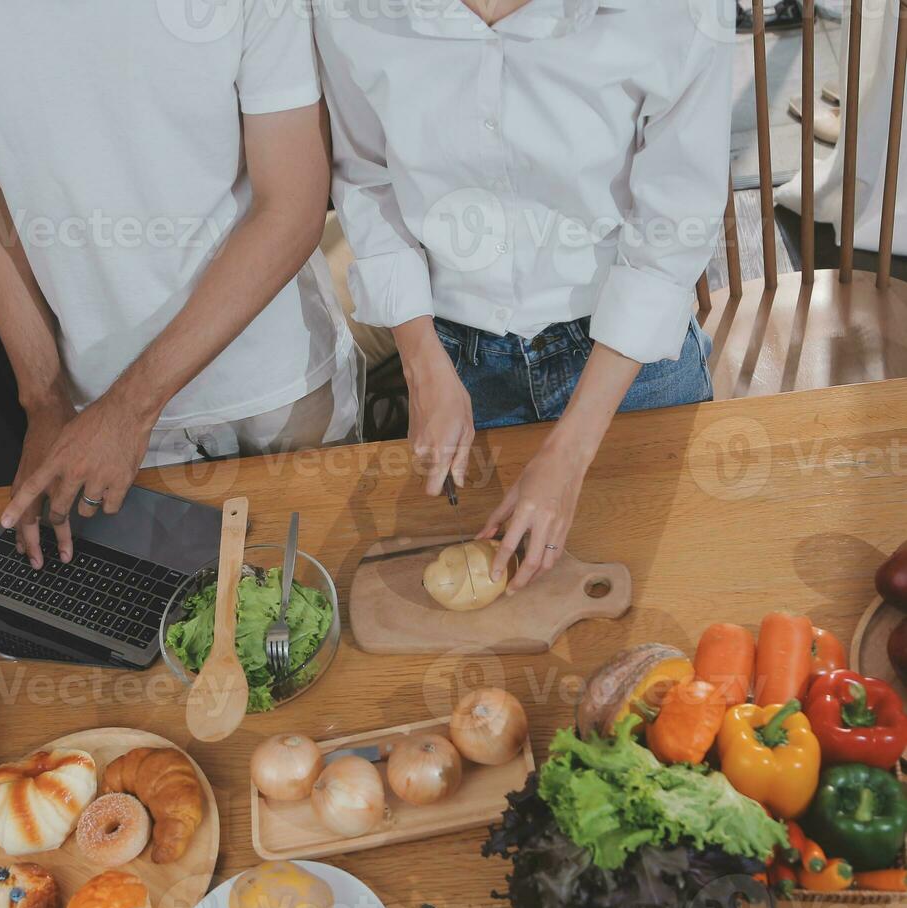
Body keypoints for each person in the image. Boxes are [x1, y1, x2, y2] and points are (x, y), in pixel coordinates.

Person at [0, 0, 359, 569]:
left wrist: (129, 408)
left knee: (316, 612)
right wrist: (44, 402)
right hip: (94, 420)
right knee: (170, 639)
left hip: (275, 386)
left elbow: (290, 206)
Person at [314, 0, 733, 593]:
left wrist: (571, 452)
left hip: (627, 369)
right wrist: (419, 362)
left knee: (679, 596)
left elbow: (673, 229)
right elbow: (367, 176)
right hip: (454, 363)